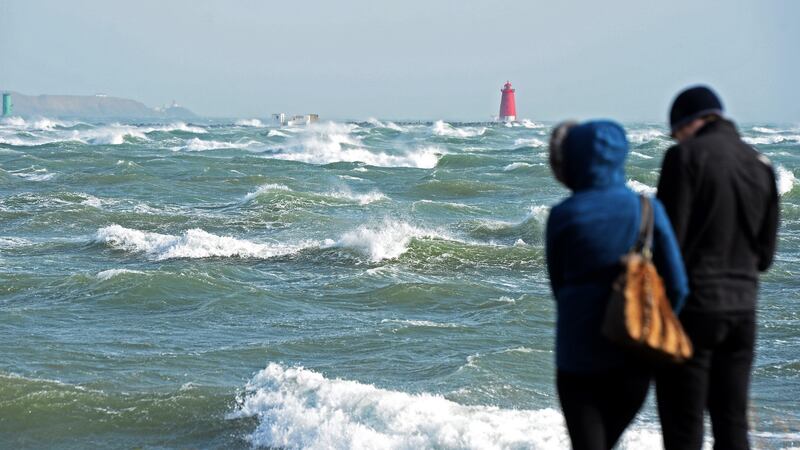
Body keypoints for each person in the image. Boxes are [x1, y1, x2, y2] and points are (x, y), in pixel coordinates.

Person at [545, 120, 689, 450]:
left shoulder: (563, 215)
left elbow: (558, 288)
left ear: (574, 158)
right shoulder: (648, 209)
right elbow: (678, 285)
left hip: (576, 356)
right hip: (633, 355)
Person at [654, 86, 780, 449]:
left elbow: (668, 243)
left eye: (675, 131)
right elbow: (766, 256)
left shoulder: (683, 158)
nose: (675, 138)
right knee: (732, 420)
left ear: (689, 124)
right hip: (743, 310)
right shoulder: (762, 164)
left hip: (694, 308)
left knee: (684, 423)